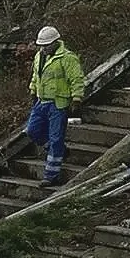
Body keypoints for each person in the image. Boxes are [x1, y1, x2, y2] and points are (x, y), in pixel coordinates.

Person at [24, 24, 83, 185]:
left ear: (55, 43)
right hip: (41, 101)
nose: (43, 49)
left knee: (56, 137)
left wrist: (76, 98)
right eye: (41, 46)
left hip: (58, 103)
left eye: (46, 46)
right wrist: (32, 90)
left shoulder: (67, 58)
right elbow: (37, 76)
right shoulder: (39, 57)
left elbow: (76, 79)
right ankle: (59, 150)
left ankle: (51, 175)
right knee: (32, 131)